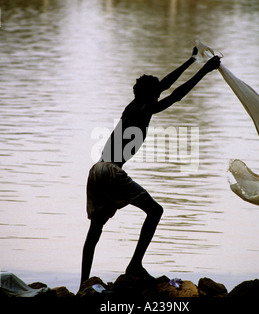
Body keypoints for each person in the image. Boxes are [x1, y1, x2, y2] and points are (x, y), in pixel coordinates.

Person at [80, 48, 221, 287]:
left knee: (96, 227)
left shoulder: (133, 105)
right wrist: (204, 71)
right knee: (155, 211)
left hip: (96, 170)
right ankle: (135, 265)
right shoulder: (145, 109)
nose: (159, 94)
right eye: (156, 93)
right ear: (152, 96)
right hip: (112, 171)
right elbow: (175, 95)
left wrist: (191, 60)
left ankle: (84, 283)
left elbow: (165, 85)